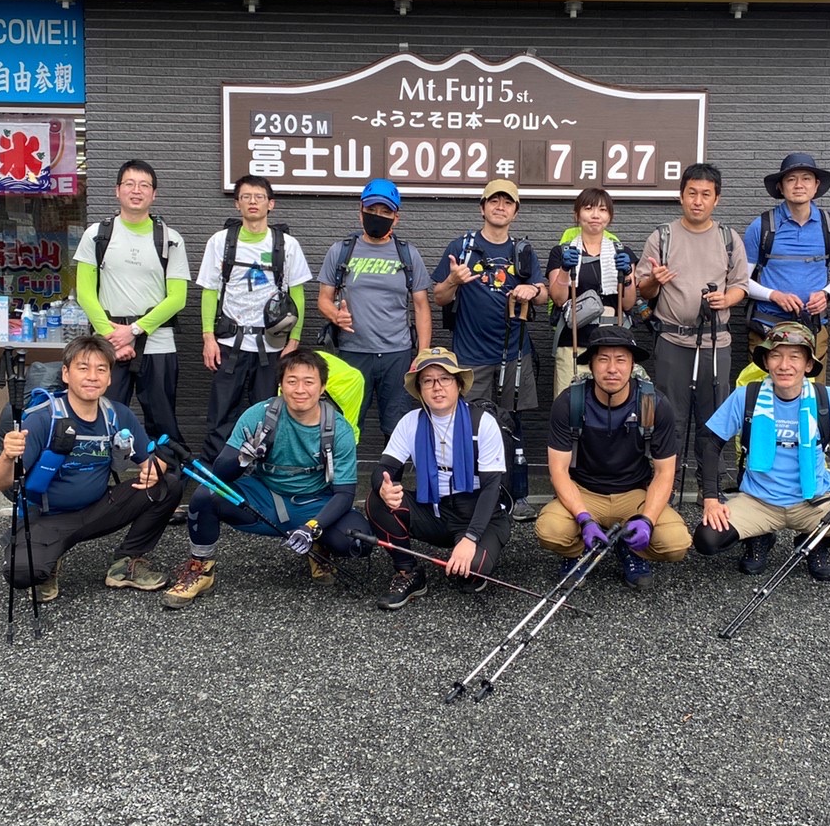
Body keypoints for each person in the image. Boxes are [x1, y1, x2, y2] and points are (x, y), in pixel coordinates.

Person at [161, 349, 367, 607]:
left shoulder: (339, 429)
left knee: (357, 541)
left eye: (309, 382)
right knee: (206, 494)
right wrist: (242, 459)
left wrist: (312, 527)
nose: (300, 389)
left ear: (322, 387)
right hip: (266, 497)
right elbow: (221, 475)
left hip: (314, 503)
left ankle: (318, 545)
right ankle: (201, 569)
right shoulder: (259, 415)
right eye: (292, 381)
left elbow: (345, 494)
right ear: (281, 384)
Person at [0, 335, 181, 601]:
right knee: (23, 573)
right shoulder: (43, 418)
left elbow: (150, 462)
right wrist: (7, 457)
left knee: (168, 484)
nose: (92, 376)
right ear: (66, 374)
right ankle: (47, 558)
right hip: (47, 516)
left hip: (98, 509)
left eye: (101, 369)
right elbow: (0, 482)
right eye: (83, 368)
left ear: (109, 378)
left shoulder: (117, 415)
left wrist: (156, 466)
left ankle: (126, 563)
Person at [694, 322, 830, 581]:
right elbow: (711, 445)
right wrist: (711, 499)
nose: (784, 365)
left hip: (815, 502)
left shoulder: (826, 398)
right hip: (758, 501)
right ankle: (760, 535)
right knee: (707, 539)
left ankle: (815, 540)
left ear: (808, 364)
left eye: (795, 356)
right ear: (766, 361)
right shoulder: (746, 396)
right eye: (775, 355)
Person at [535, 326, 689, 590]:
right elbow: (558, 471)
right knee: (550, 531)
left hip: (635, 493)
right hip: (584, 491)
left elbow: (665, 472)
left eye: (621, 360)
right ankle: (577, 551)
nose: (612, 369)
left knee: (676, 542)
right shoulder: (570, 403)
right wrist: (583, 518)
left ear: (632, 365)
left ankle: (629, 547)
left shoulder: (652, 404)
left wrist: (647, 520)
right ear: (591, 365)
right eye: (603, 359)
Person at [431, 179, 547, 520]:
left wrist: (532, 290)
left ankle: (517, 496)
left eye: (507, 202)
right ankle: (467, 495)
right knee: (468, 428)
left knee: (513, 426)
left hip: (514, 355)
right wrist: (453, 280)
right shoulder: (462, 247)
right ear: (482, 207)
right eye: (494, 201)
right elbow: (439, 297)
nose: (500, 207)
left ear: (515, 211)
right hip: (470, 357)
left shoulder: (523, 251)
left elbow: (543, 293)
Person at [365, 347, 512, 611]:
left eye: (445, 378)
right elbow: (384, 468)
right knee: (377, 501)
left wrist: (471, 538)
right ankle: (408, 572)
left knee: (471, 569)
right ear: (420, 389)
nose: (437, 387)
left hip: (478, 512)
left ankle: (468, 558)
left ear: (458, 384)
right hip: (434, 509)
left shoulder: (483, 422)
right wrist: (383, 487)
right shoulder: (411, 422)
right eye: (428, 381)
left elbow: (492, 487)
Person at [636, 163, 749, 485]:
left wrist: (726, 299)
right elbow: (643, 290)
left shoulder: (729, 239)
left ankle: (710, 485)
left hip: (716, 341)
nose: (697, 201)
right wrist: (654, 281)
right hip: (672, 341)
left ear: (717, 199)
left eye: (705, 194)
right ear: (681, 196)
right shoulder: (663, 236)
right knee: (667, 416)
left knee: (714, 417)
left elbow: (741, 284)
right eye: (691, 193)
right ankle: (664, 485)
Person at [195, 175, 312, 461]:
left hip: (272, 345)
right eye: (246, 197)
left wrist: (294, 340)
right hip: (228, 343)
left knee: (268, 413)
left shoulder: (286, 245)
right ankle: (218, 471)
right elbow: (209, 291)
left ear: (271, 204)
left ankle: (263, 469)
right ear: (237, 204)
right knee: (221, 413)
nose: (252, 202)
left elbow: (298, 295)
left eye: (259, 197)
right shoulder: (221, 242)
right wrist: (208, 337)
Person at [76, 159, 191, 445]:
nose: (136, 190)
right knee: (102, 415)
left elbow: (177, 298)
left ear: (154, 194)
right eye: (129, 184)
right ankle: (99, 470)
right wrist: (111, 335)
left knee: (162, 421)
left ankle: (166, 471)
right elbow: (84, 293)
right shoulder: (97, 235)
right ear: (117, 190)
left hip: (157, 343)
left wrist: (134, 330)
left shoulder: (170, 239)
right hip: (108, 344)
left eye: (144, 185)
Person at [316, 178, 433, 439]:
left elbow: (422, 306)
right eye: (371, 209)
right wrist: (335, 315)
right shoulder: (341, 251)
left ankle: (394, 468)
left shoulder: (408, 255)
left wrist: (423, 354)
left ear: (396, 218)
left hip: (397, 355)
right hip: (352, 352)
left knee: (397, 428)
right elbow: (323, 298)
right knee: (345, 424)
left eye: (385, 211)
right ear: (361, 212)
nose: (377, 216)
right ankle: (343, 468)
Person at [742, 151, 830, 385]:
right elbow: (740, 281)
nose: (799, 185)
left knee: (811, 396)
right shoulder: (761, 226)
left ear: (816, 186)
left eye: (806, 179)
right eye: (791, 179)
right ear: (781, 187)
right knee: (762, 395)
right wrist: (774, 295)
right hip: (767, 329)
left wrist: (825, 294)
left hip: (813, 329)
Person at [544, 187, 636, 397]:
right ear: (577, 214)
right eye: (588, 208)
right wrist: (565, 269)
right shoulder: (562, 251)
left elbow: (628, 303)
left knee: (611, 403)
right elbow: (558, 298)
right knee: (570, 403)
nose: (595, 215)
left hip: (611, 343)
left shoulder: (622, 252)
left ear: (610, 217)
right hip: (573, 342)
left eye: (602, 210)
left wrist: (627, 276)